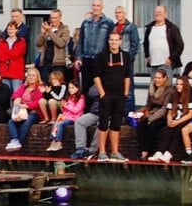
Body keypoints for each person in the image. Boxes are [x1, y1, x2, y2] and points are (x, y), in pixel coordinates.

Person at [92, 31, 133, 161]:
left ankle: (115, 152)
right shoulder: (101, 56)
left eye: (116, 40)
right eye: (111, 40)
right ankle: (102, 152)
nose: (114, 42)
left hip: (120, 95)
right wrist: (102, 93)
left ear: (120, 41)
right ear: (108, 41)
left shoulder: (125, 56)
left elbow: (127, 75)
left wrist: (126, 92)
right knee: (103, 123)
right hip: (106, 94)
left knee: (116, 123)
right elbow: (96, 76)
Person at [151, 71, 192, 163]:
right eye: (177, 84)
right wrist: (170, 120)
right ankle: (159, 152)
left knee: (178, 131)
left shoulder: (190, 96)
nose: (178, 86)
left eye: (181, 84)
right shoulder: (173, 95)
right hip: (175, 118)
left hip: (185, 119)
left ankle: (169, 154)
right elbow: (170, 111)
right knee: (168, 130)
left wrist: (178, 121)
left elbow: (190, 114)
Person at [135, 68, 176, 161]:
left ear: (165, 78)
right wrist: (139, 112)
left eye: (159, 78)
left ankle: (151, 150)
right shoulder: (152, 88)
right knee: (140, 126)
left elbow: (165, 108)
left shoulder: (169, 91)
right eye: (155, 78)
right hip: (152, 112)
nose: (157, 80)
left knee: (152, 127)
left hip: (164, 114)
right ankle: (143, 151)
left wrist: (151, 118)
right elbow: (149, 104)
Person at [6, 65, 46, 151]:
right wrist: (17, 99)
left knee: (27, 122)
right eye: (30, 75)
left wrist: (27, 105)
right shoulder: (23, 87)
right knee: (11, 122)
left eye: (33, 75)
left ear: (37, 77)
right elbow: (15, 94)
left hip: (35, 112)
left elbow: (38, 102)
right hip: (22, 111)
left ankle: (19, 142)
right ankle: (14, 140)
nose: (31, 77)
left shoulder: (40, 87)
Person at [75, 0, 112, 91]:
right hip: (86, 59)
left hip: (100, 59)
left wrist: (109, 58)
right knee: (86, 89)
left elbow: (112, 42)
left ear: (102, 7)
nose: (95, 8)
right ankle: (88, 106)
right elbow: (80, 41)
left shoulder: (108, 22)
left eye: (98, 5)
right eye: (94, 5)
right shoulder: (85, 22)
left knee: (100, 89)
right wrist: (78, 58)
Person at [142, 6, 183, 73]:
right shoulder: (150, 28)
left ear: (165, 14)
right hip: (153, 63)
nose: (158, 14)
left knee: (166, 83)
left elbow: (180, 45)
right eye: (156, 12)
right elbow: (146, 43)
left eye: (160, 12)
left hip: (166, 63)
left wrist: (171, 58)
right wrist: (147, 56)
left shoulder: (171, 28)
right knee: (154, 83)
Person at [49, 80, 86, 153]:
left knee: (61, 124)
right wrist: (62, 107)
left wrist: (65, 105)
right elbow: (66, 110)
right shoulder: (69, 97)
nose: (70, 89)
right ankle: (53, 141)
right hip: (66, 116)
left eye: (73, 88)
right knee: (55, 123)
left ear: (77, 88)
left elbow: (76, 110)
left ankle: (59, 142)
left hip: (74, 118)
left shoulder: (81, 98)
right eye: (69, 88)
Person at [36, 9, 72, 78]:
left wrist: (50, 32)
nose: (53, 20)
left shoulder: (64, 29)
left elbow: (61, 43)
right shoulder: (47, 28)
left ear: (60, 17)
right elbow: (38, 44)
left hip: (58, 64)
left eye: (55, 18)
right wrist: (42, 34)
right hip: (45, 63)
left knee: (56, 84)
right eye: (52, 18)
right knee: (45, 85)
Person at [0, 20, 28, 95]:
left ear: (16, 30)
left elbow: (16, 53)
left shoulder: (21, 41)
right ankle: (8, 107)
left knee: (16, 93)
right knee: (6, 93)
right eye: (9, 29)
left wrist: (6, 54)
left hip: (16, 71)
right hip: (4, 71)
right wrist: (9, 55)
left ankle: (15, 107)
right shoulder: (2, 41)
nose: (10, 31)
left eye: (12, 29)